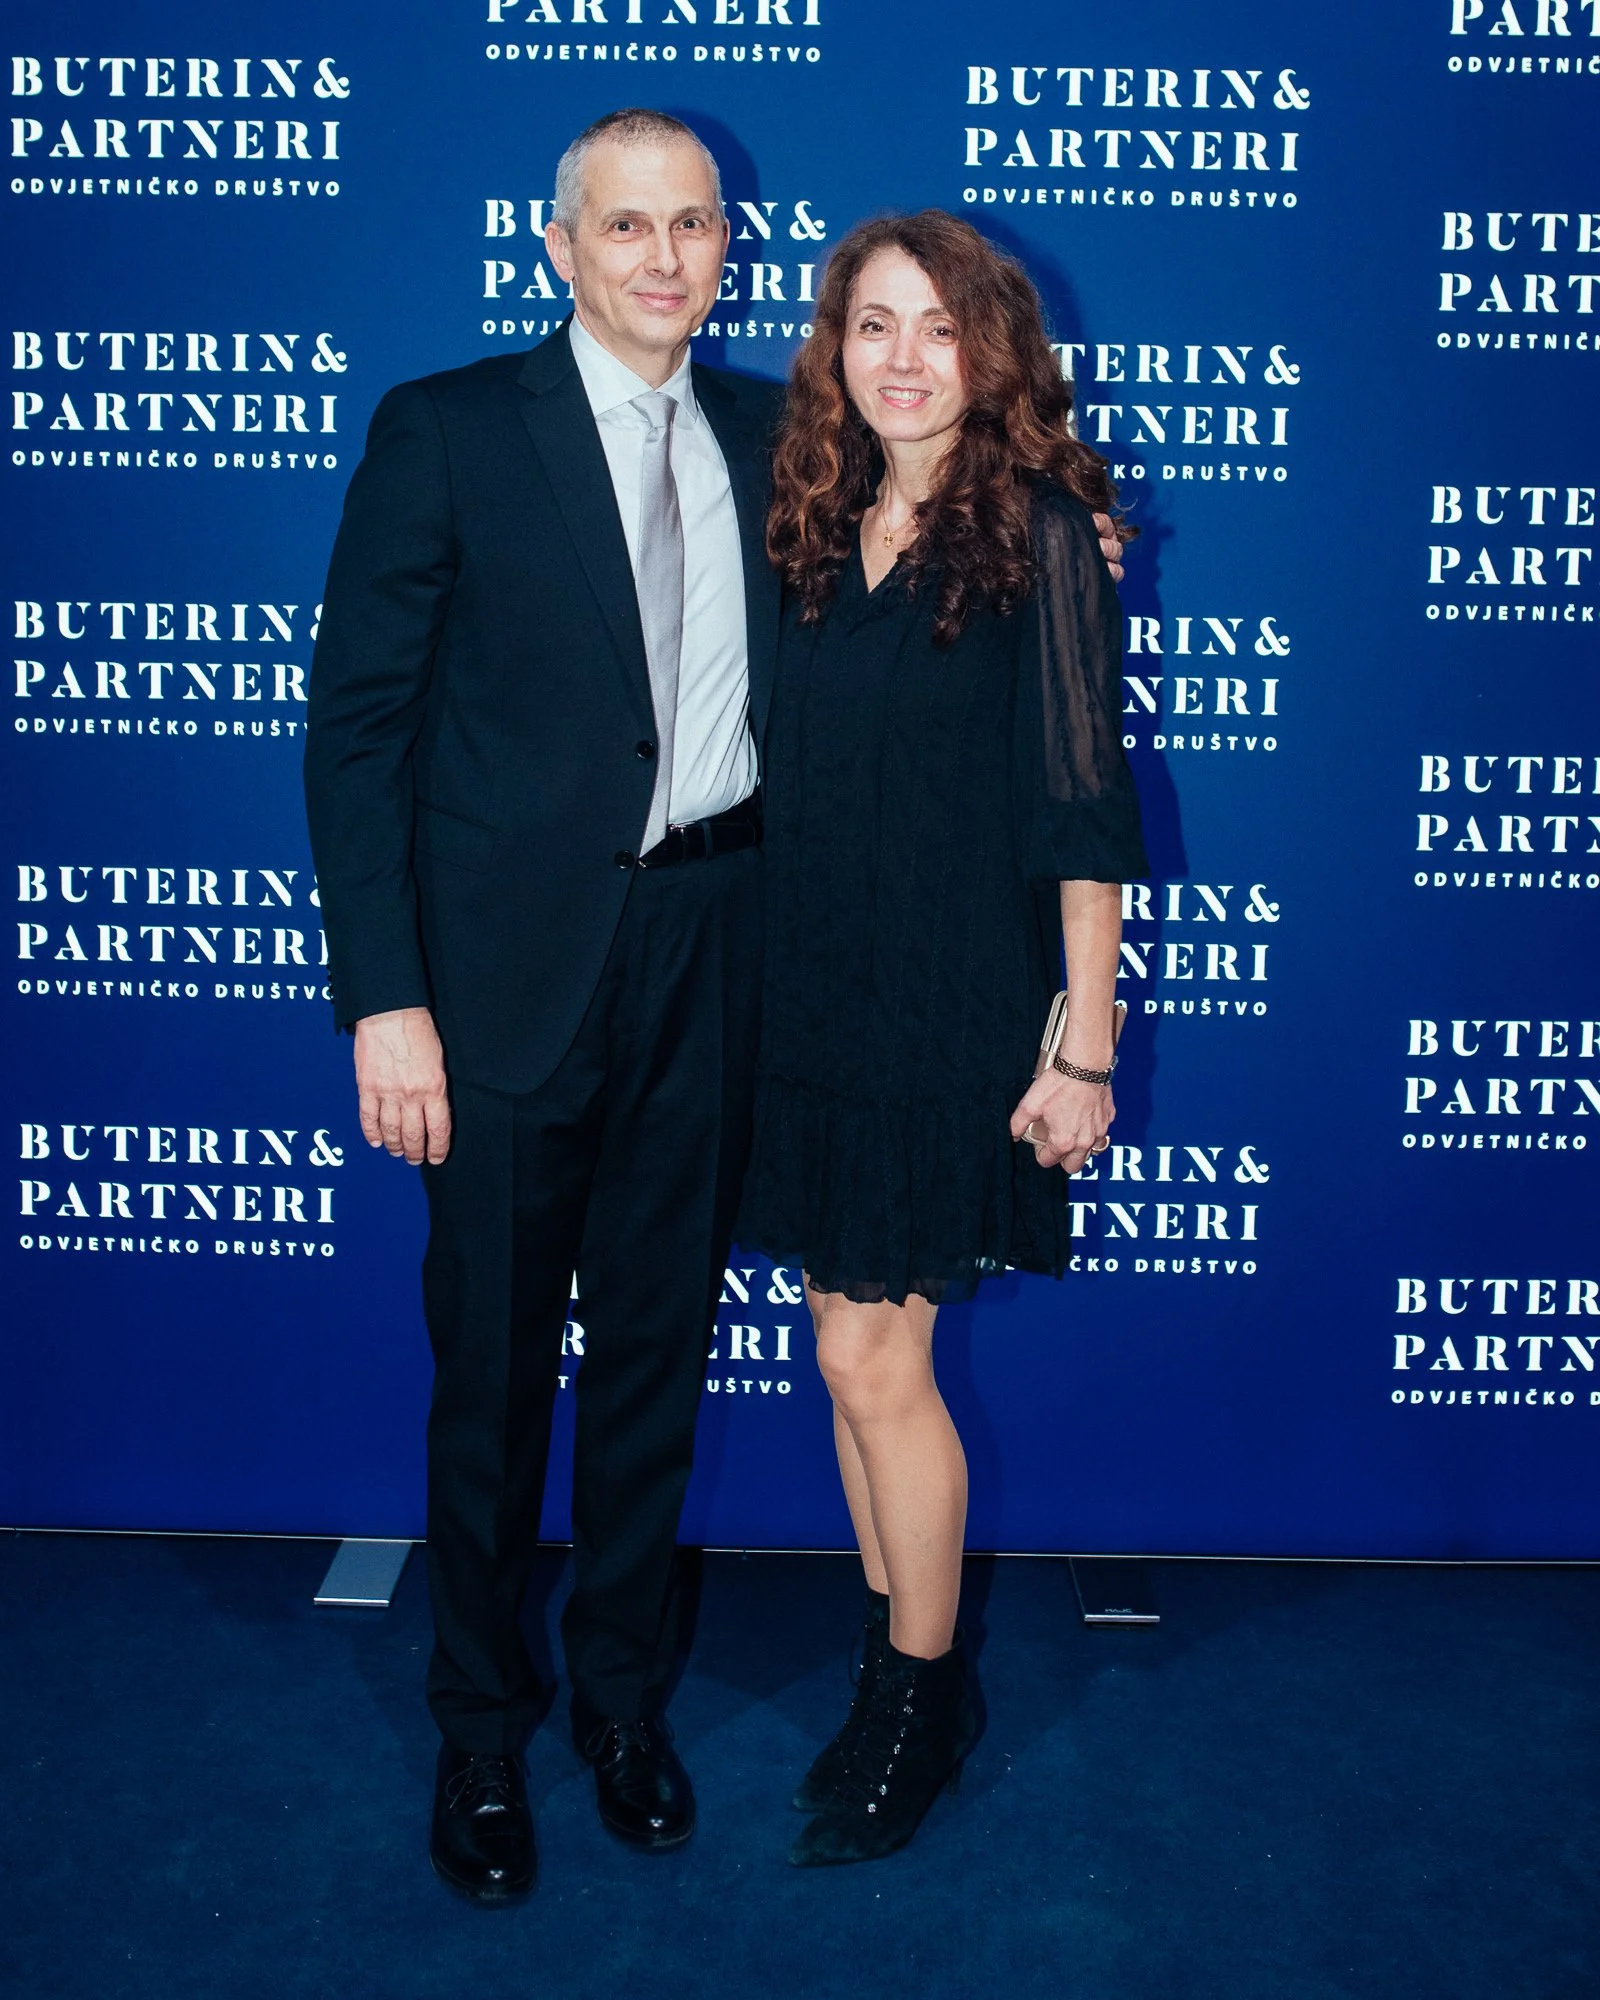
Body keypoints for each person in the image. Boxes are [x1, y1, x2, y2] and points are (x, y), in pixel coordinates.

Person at [305, 107, 1129, 1900]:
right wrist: (388, 1002)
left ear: (729, 255)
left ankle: (620, 1706)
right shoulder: (447, 432)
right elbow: (356, 736)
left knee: (658, 1373)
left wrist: (1060, 543)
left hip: (723, 967)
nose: (665, 256)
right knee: (495, 1377)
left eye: (695, 226)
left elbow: (1027, 708)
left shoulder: (785, 443)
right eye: (628, 227)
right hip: (508, 986)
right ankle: (479, 1732)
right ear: (563, 245)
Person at [740, 211, 1148, 1867]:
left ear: (992, 356)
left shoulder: (1044, 536)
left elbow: (1082, 810)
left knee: (867, 1361)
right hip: (804, 994)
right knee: (844, 1361)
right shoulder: (813, 523)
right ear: (833, 351)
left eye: (940, 330)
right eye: (872, 326)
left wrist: (1087, 1045)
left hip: (947, 1007)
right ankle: (892, 1653)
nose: (904, 359)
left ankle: (922, 1692)